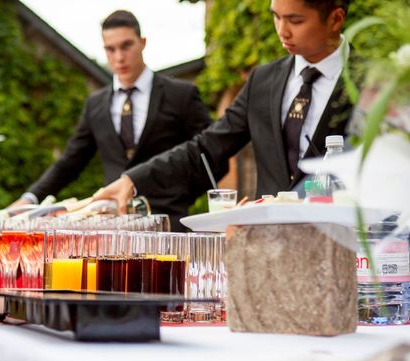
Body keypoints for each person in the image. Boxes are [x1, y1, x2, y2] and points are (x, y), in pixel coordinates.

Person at [95, 0, 352, 215]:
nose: (282, 31)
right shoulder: (263, 81)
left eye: (295, 21)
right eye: (276, 17)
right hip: (269, 246)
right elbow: (207, 146)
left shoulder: (374, 83)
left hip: (351, 249)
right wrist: (134, 180)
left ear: (335, 19)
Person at [13, 9, 213, 230]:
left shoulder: (181, 95)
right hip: (113, 229)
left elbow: (210, 154)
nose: (119, 57)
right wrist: (30, 198)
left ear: (142, 42)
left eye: (126, 46)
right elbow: (69, 162)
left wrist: (180, 195)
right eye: (111, 49)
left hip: (170, 224)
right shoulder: (95, 104)